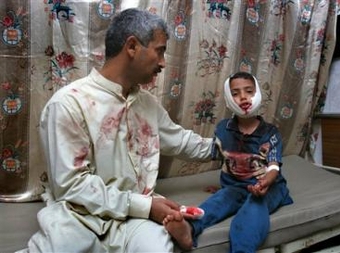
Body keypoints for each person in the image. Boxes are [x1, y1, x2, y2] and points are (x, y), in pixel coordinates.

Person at [20, 8, 214, 253]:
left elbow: (180, 141)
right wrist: (147, 206)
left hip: (136, 221)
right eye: (160, 51)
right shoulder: (68, 104)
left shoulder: (146, 104)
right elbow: (72, 187)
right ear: (132, 46)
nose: (163, 63)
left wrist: (223, 148)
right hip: (79, 217)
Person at [164, 71, 294, 252]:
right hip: (235, 188)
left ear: (257, 94)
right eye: (235, 93)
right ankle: (189, 229)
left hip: (268, 187)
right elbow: (221, 157)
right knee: (216, 203)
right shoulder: (223, 130)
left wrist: (266, 181)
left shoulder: (270, 133)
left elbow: (273, 167)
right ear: (228, 98)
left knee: (252, 211)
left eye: (249, 91)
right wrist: (224, 187)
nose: (243, 97)